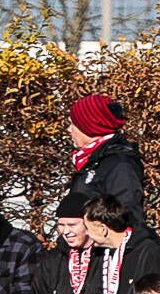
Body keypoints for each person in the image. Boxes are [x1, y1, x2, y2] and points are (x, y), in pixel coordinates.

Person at [61, 95, 146, 224]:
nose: (69, 130)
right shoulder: (92, 161)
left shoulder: (119, 164)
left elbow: (127, 216)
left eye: (73, 124)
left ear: (88, 125)